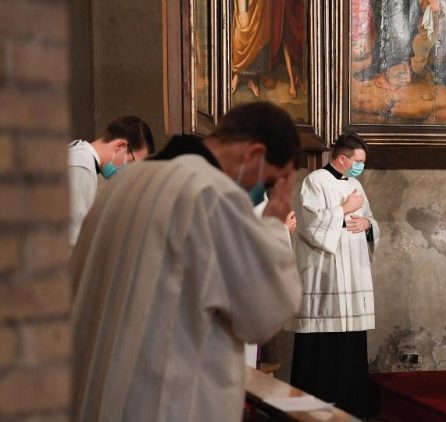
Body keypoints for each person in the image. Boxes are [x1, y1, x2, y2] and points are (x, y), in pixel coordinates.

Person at [70, 102, 303, 422]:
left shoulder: (121, 185)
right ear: (254, 154)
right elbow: (262, 318)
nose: (259, 190)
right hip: (169, 402)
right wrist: (275, 225)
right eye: (270, 180)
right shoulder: (212, 195)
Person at [290, 132, 380, 418]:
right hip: (326, 275)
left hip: (353, 274)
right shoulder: (315, 182)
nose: (361, 167)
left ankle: (351, 406)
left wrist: (367, 223)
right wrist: (344, 209)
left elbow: (370, 220)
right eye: (358, 161)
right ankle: (314, 411)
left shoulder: (355, 184)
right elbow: (310, 226)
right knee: (323, 347)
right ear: (342, 158)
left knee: (350, 344)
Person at [68, 115, 154, 246]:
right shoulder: (80, 166)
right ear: (120, 147)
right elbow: (72, 239)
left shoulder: (80, 155)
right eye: (132, 163)